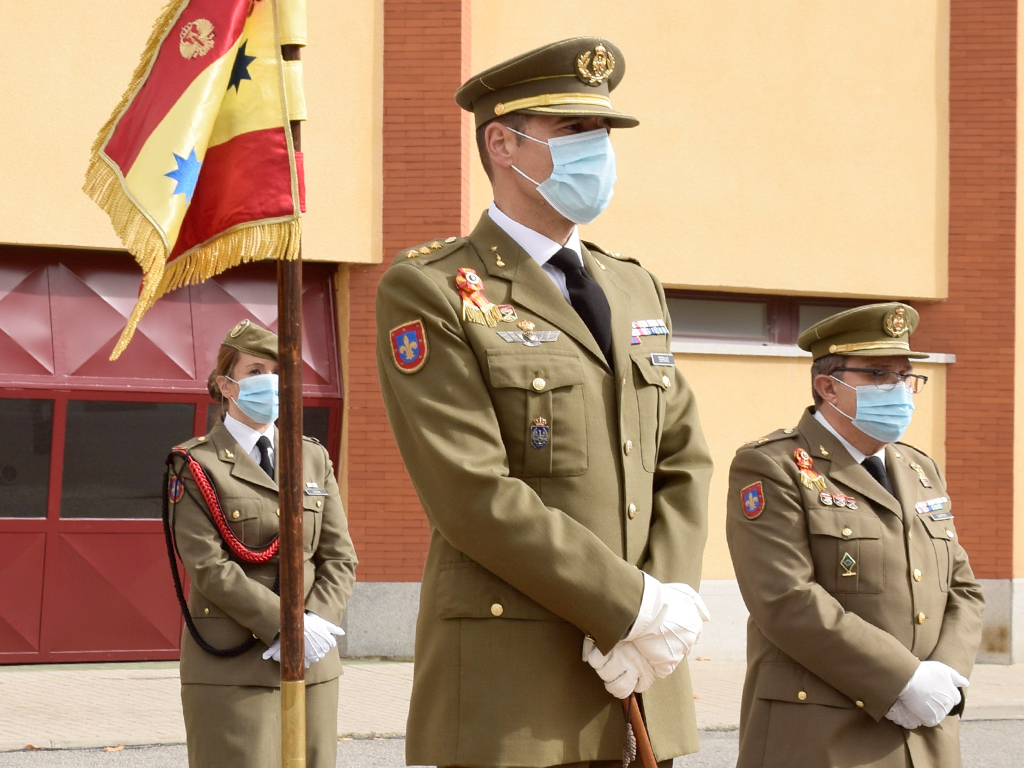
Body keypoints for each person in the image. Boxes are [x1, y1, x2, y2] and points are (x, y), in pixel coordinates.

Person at [375, 37, 713, 768]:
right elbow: (470, 493)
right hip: (517, 695)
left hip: (642, 680)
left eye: (603, 131)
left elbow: (682, 458)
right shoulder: (433, 289)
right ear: (503, 143)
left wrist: (668, 608)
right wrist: (629, 607)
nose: (599, 149)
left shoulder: (633, 286)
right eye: (574, 130)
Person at [726, 302, 984, 768]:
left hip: (926, 733)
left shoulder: (920, 468)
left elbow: (962, 587)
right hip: (823, 735)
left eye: (906, 376)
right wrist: (902, 680)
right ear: (829, 386)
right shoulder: (772, 465)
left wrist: (946, 672)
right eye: (880, 375)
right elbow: (785, 597)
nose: (899, 389)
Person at [165, 319, 358, 768]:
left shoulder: (311, 456)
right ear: (225, 385)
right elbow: (209, 567)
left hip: (312, 663)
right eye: (255, 371)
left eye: (279, 371)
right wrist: (285, 626)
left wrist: (315, 625)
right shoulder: (195, 464)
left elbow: (339, 557)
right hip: (233, 666)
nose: (270, 382)